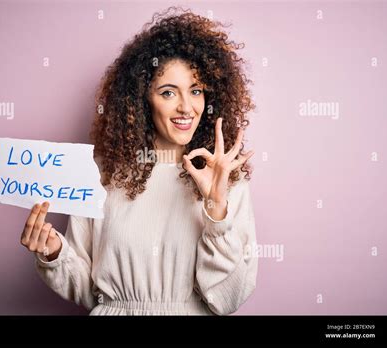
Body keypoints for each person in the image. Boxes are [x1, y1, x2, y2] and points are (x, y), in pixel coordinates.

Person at [20, 6, 258, 315]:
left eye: (196, 91)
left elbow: (229, 299)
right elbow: (90, 292)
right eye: (169, 93)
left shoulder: (226, 181)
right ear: (142, 99)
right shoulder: (102, 175)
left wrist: (216, 209)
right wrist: (53, 252)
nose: (187, 107)